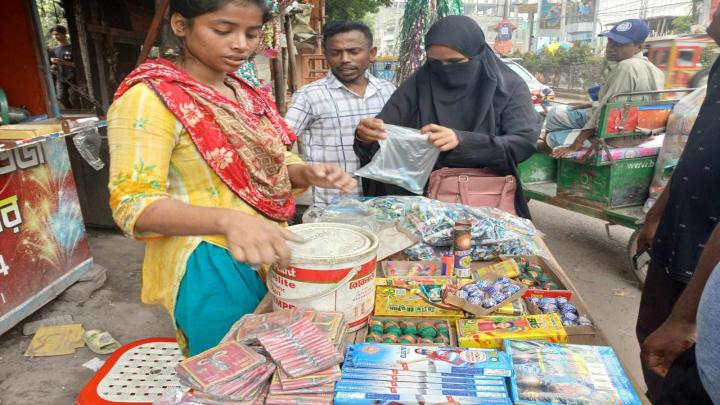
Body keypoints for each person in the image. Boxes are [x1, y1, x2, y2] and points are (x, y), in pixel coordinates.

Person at [107, 0, 356, 356]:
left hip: (269, 248)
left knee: (278, 367)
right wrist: (227, 221)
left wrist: (306, 172)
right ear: (181, 25)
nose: (241, 44)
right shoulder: (150, 100)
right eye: (223, 31)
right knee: (229, 371)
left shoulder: (245, 94)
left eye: (252, 34)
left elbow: (271, 159)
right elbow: (133, 205)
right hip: (209, 263)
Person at [354, 16, 540, 219]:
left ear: (477, 53)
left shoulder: (508, 87)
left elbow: (522, 143)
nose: (445, 70)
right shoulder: (419, 83)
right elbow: (380, 138)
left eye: (455, 62)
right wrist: (365, 137)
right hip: (416, 209)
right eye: (435, 62)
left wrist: (462, 141)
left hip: (483, 207)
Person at [636, 8, 720, 400]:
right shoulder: (719, 69)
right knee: (652, 337)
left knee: (683, 366)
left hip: (709, 255)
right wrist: (656, 215)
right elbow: (694, 153)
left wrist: (685, 316)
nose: (711, 14)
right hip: (678, 234)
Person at [284, 21, 395, 206]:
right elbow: (280, 144)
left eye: (354, 51)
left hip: (382, 199)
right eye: (336, 53)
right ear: (326, 55)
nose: (344, 59)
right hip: (333, 203)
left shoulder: (388, 90)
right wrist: (303, 172)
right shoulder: (310, 96)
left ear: (372, 53)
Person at [545, 19, 664, 158]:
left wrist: (575, 144)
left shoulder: (626, 67)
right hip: (636, 131)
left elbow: (604, 111)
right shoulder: (656, 71)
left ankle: (552, 158)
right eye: (610, 42)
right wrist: (591, 104)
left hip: (616, 136)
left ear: (639, 47)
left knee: (553, 126)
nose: (611, 48)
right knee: (560, 114)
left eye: (619, 44)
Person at [48, 25, 77, 109]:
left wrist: (62, 62)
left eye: (57, 34)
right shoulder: (53, 50)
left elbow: (77, 64)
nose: (55, 37)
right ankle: (72, 111)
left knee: (75, 99)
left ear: (64, 34)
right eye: (53, 35)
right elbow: (54, 65)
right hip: (60, 78)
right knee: (61, 98)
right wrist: (53, 67)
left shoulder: (73, 47)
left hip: (73, 78)